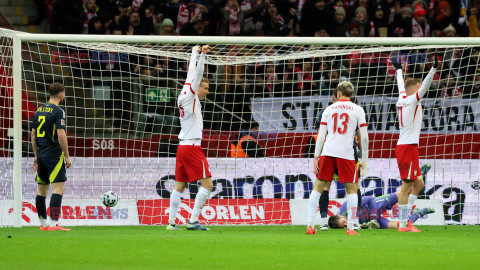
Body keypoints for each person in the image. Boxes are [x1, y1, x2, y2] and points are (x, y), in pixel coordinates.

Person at [307, 81, 369, 235]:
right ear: (352, 95)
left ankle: (310, 225)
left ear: (338, 94)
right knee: (352, 189)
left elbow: (321, 135)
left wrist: (316, 157)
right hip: (346, 153)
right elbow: (364, 137)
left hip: (327, 152)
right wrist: (364, 159)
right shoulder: (358, 109)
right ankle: (351, 227)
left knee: (318, 187)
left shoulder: (328, 109)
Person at [167, 45, 212, 231]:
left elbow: (192, 73)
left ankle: (170, 223)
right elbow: (198, 72)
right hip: (192, 146)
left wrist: (195, 52)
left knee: (180, 186)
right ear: (198, 86)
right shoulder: (191, 94)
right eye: (206, 88)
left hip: (182, 147)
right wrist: (203, 56)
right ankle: (193, 220)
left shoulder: (185, 91)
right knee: (208, 184)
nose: (207, 92)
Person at [391, 53, 437, 232]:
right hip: (408, 148)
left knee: (418, 184)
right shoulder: (411, 100)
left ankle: (406, 220)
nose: (420, 91)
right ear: (413, 91)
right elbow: (424, 87)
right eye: (417, 88)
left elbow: (400, 85)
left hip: (406, 147)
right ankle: (403, 224)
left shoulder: (402, 98)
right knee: (406, 187)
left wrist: (399, 70)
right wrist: (433, 70)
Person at [31, 83, 72, 231]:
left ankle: (43, 225)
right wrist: (67, 156)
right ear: (61, 95)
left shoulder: (38, 110)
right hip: (54, 154)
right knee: (57, 190)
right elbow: (61, 134)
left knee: (41, 191)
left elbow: (33, 134)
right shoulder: (58, 111)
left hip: (41, 154)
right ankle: (54, 223)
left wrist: (36, 155)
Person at [328, 191, 436, 230]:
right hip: (372, 221)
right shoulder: (349, 225)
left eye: (344, 222)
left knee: (404, 193)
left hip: (375, 206)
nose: (347, 224)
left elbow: (370, 199)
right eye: (344, 226)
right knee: (402, 226)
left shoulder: (347, 207)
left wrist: (374, 215)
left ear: (340, 216)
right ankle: (420, 213)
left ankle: (419, 174)